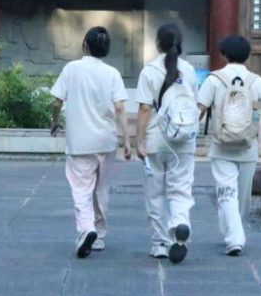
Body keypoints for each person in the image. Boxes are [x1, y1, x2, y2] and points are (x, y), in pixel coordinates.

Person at [50, 26, 131, 258]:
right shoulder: (112, 73)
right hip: (106, 141)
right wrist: (127, 140)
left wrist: (55, 120)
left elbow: (56, 102)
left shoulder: (72, 68)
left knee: (81, 189)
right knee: (101, 189)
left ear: (85, 44)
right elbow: (119, 108)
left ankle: (86, 229)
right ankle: (100, 235)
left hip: (79, 142)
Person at [197, 34, 261, 256]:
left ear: (223, 54)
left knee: (226, 192)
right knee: (241, 198)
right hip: (247, 146)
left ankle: (233, 235)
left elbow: (200, 109)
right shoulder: (256, 81)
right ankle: (235, 235)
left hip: (221, 146)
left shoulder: (214, 80)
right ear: (247, 55)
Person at [135, 23, 199, 264]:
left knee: (155, 194)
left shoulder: (149, 71)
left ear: (157, 44)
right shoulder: (189, 70)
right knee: (180, 189)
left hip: (155, 140)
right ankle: (180, 224)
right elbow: (194, 105)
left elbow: (144, 108)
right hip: (183, 141)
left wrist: (138, 141)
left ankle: (160, 243)